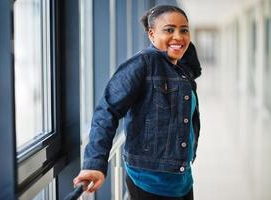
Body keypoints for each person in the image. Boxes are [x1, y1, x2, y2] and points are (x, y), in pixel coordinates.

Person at [73, 4, 201, 200]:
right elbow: (107, 111)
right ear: (151, 34)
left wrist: (176, 43)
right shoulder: (141, 64)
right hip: (149, 181)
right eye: (169, 30)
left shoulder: (182, 71)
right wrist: (94, 164)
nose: (178, 36)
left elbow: (193, 65)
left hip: (182, 178)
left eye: (184, 30)